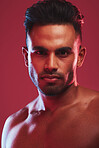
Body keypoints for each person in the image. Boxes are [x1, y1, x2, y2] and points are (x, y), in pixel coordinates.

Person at [1, 0, 99, 147]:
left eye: (63, 53)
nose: (51, 65)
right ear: (26, 57)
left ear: (80, 57)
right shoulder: (14, 128)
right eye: (40, 52)